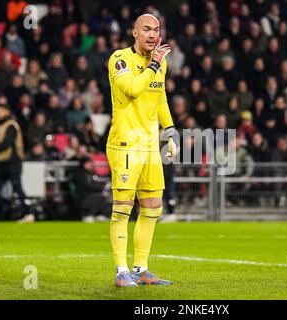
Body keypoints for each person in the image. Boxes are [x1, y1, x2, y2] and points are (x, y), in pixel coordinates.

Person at [106, 14, 176, 287]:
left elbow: (159, 97)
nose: (152, 34)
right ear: (134, 32)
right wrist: (155, 64)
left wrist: (169, 131)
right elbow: (134, 89)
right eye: (146, 29)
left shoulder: (161, 62)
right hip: (125, 144)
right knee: (123, 209)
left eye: (156, 29)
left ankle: (141, 268)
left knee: (152, 207)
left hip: (149, 146)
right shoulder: (119, 59)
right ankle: (121, 271)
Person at [72, 157, 110, 223]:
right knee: (96, 196)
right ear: (84, 164)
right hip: (83, 195)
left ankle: (100, 214)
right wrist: (100, 189)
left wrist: (103, 187)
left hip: (94, 193)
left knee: (102, 196)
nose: (91, 165)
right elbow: (85, 186)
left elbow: (97, 183)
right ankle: (88, 215)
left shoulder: (92, 173)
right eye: (89, 163)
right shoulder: (79, 174)